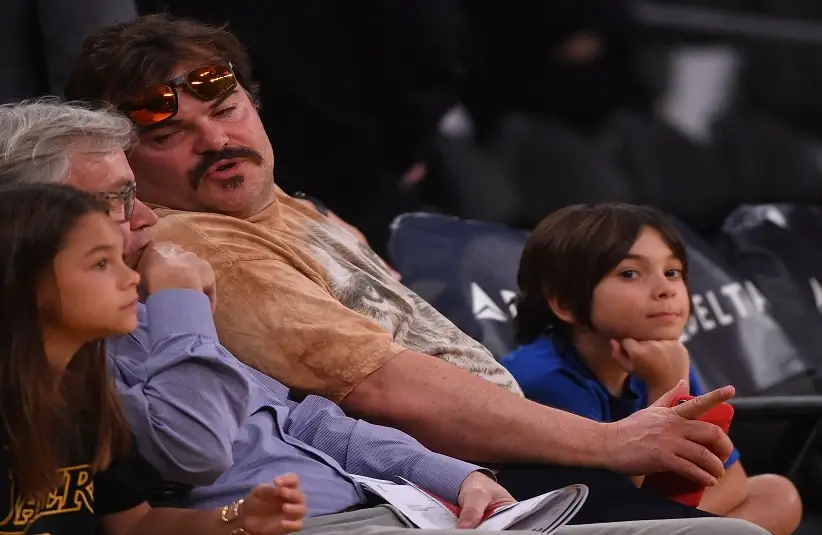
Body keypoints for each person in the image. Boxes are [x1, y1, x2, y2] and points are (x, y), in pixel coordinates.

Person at [64, 14, 740, 516]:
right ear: (127, 165)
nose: (215, 140)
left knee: (756, 502)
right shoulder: (202, 245)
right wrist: (605, 442)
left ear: (256, 104)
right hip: (468, 474)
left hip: (487, 460)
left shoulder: (289, 210)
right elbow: (381, 391)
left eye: (225, 109)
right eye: (168, 136)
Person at [0, 182, 307, 535]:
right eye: (101, 263)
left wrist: (239, 518)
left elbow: (134, 523)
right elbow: (198, 449)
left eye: (120, 259)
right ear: (25, 283)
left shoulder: (86, 400)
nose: (130, 277)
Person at [501, 203, 803, 535]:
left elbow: (731, 482)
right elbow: (631, 511)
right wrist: (666, 386)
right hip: (581, 522)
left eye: (672, 272)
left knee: (778, 494)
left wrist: (669, 379)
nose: (666, 289)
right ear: (565, 302)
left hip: (649, 513)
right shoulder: (545, 382)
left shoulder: (664, 357)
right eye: (629, 273)